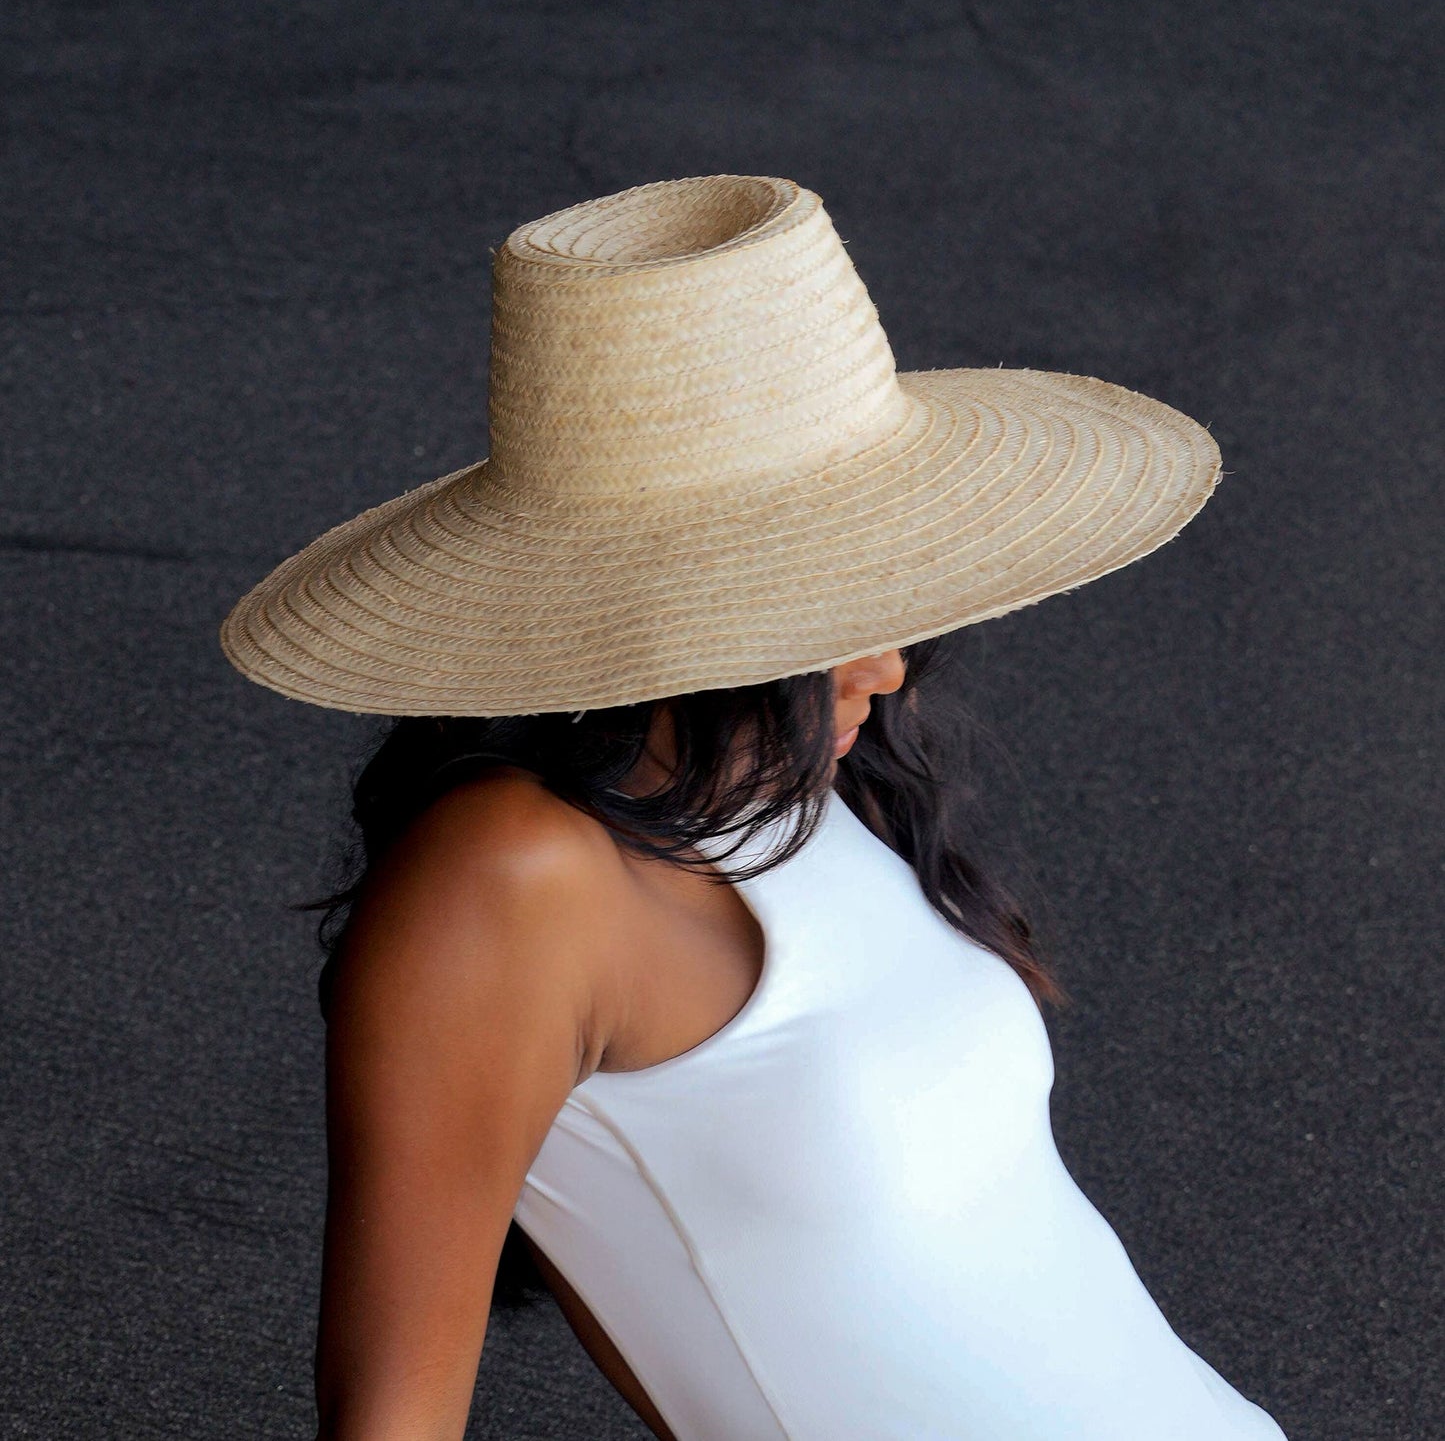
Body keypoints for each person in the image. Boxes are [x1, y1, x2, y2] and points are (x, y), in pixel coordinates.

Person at [219, 175, 1289, 1440]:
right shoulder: (509, 878)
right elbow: (391, 1415)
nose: (886, 665)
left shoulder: (806, 790)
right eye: (822, 594)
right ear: (673, 606)